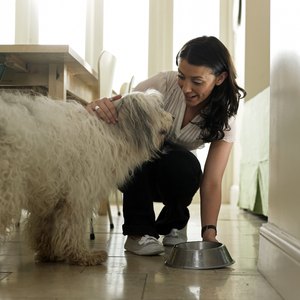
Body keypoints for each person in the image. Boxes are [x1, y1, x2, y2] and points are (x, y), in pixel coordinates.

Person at [87, 36, 246, 256]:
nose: (186, 88)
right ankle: (138, 233)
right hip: (136, 175)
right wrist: (98, 106)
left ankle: (174, 223)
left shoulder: (224, 118)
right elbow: (121, 105)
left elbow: (212, 182)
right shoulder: (163, 84)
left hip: (172, 176)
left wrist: (209, 233)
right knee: (138, 152)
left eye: (197, 81)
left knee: (188, 166)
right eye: (182, 77)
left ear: (220, 78)